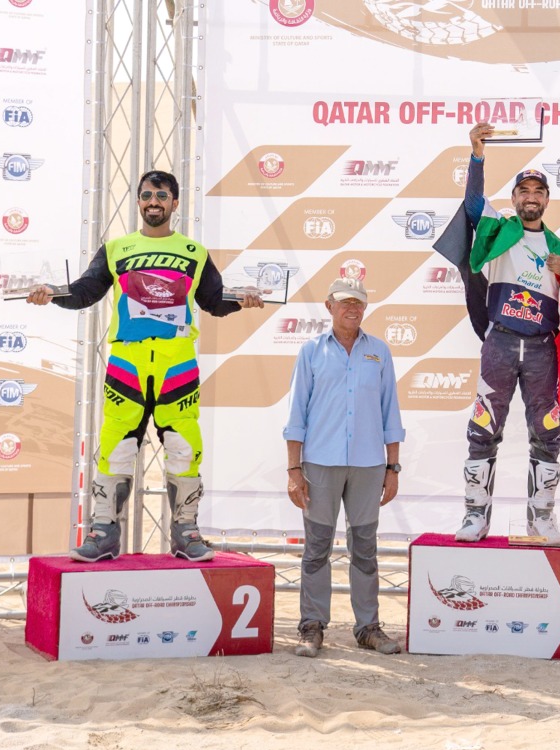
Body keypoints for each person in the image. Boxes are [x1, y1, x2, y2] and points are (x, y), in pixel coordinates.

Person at [28, 170, 264, 563]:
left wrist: (243, 299)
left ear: (175, 202)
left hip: (177, 365)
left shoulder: (194, 252)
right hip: (128, 364)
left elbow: (213, 301)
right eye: (147, 195)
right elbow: (85, 292)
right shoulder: (116, 248)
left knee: (184, 448)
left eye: (162, 195)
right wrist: (53, 293)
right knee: (116, 446)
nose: (154, 201)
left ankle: (186, 532)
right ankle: (103, 533)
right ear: (139, 201)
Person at [440, 121, 560, 545]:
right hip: (501, 342)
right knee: (483, 427)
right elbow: (473, 204)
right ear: (514, 199)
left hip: (542, 348)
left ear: (547, 200)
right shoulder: (501, 229)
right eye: (523, 191)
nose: (531, 197)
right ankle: (475, 516)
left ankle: (540, 519)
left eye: (538, 191)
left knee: (547, 432)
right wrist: (477, 156)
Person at [284, 277, 406, 658]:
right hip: (320, 463)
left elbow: (390, 412)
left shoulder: (380, 352)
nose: (352, 308)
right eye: (345, 302)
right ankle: (311, 627)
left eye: (358, 302)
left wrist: (393, 467)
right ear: (329, 306)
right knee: (317, 548)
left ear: (365, 308)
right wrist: (293, 470)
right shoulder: (311, 352)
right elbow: (296, 414)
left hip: (369, 466)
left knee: (365, 548)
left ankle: (368, 628)